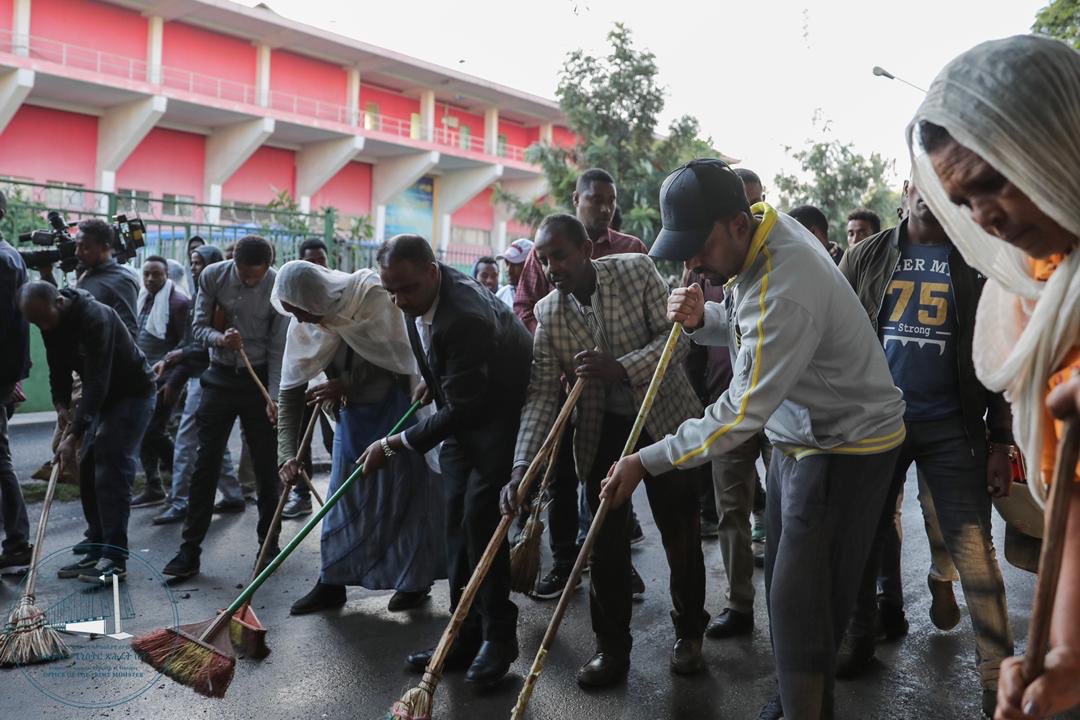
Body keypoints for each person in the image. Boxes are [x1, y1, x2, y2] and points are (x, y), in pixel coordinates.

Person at [601, 158, 907, 720]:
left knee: (802, 605)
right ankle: (800, 702)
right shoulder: (762, 230)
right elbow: (749, 330)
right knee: (792, 602)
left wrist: (645, 461)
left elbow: (740, 413)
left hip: (845, 448)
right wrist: (705, 320)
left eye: (699, 245)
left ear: (737, 224)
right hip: (799, 437)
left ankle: (802, 707)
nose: (692, 262)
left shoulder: (786, 282)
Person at [903, 35, 1080, 720]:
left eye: (990, 183)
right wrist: (1066, 650)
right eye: (962, 201)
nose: (984, 221)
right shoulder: (1034, 283)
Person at [500, 213, 708, 684]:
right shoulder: (550, 313)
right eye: (544, 259)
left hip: (666, 419)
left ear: (587, 251)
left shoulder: (635, 269)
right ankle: (612, 650)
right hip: (604, 428)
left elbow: (676, 342)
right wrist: (521, 469)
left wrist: (621, 367)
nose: (552, 268)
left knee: (681, 533)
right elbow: (538, 394)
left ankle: (690, 632)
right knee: (604, 540)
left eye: (560, 256)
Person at [837, 180, 1015, 716]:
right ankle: (858, 639)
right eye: (926, 183)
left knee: (975, 552)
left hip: (953, 426)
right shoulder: (866, 254)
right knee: (863, 536)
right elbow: (835, 332)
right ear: (910, 186)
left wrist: (1001, 442)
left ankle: (996, 677)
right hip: (876, 422)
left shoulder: (978, 259)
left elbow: (997, 356)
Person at [363, 234, 531, 686]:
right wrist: (437, 379)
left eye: (407, 289)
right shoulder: (420, 297)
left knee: (480, 519)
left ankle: (499, 635)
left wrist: (393, 443)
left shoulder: (465, 317)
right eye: (390, 290)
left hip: (499, 416)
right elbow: (447, 372)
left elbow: (468, 408)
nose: (399, 300)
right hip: (465, 406)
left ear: (433, 272)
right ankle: (463, 632)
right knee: (454, 521)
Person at [271, 260, 444, 613]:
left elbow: (403, 359)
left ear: (316, 297)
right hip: (352, 418)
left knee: (405, 500)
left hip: (398, 410)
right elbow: (290, 391)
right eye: (292, 313)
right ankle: (332, 582)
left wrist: (347, 382)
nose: (300, 320)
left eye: (301, 311)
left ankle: (413, 584)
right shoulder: (305, 322)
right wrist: (287, 455)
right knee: (343, 498)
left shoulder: (373, 296)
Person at [513, 168, 649, 599]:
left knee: (615, 486)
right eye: (596, 200)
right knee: (565, 477)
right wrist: (555, 354)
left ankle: (612, 558)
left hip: (638, 398)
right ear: (577, 198)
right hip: (569, 388)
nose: (605, 207)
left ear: (586, 251)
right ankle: (567, 560)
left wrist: (620, 366)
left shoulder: (632, 255)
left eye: (611, 200)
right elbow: (528, 309)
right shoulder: (545, 249)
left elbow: (664, 333)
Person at [161, 235, 287, 580]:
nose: (250, 281)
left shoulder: (277, 285)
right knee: (206, 463)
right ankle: (189, 551)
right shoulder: (213, 276)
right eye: (245, 275)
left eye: (255, 277)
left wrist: (272, 397)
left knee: (265, 466)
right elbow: (198, 327)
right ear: (235, 264)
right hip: (218, 376)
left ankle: (269, 544)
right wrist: (220, 339)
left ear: (267, 268)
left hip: (258, 377)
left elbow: (278, 348)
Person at [20, 281, 155, 583]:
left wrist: (73, 434)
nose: (43, 326)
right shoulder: (49, 318)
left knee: (111, 466)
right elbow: (57, 367)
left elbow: (97, 381)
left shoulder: (95, 317)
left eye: (44, 319)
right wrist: (60, 405)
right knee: (88, 464)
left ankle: (115, 558)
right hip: (104, 396)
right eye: (36, 322)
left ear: (60, 302)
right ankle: (97, 546)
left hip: (133, 392)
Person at [151, 244, 242, 525]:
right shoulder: (200, 296)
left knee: (186, 440)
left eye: (199, 262)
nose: (194, 268)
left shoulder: (219, 299)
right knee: (211, 441)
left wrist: (181, 354)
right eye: (191, 263)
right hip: (197, 378)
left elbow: (207, 345)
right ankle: (233, 493)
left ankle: (180, 500)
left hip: (208, 377)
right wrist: (175, 356)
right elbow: (190, 340)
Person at [280, 237, 335, 520]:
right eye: (310, 262)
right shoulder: (294, 308)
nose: (316, 266)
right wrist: (285, 456)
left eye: (320, 260)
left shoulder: (342, 299)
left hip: (336, 389)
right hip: (306, 383)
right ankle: (302, 496)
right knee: (301, 441)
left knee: (333, 441)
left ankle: (338, 494)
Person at [131, 255, 190, 508]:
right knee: (144, 432)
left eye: (157, 274)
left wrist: (174, 382)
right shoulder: (142, 298)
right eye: (147, 274)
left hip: (165, 380)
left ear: (167, 275)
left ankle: (183, 479)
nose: (151, 279)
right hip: (143, 378)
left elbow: (185, 345)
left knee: (154, 431)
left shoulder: (178, 303)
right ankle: (155, 486)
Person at [0, 193, 32, 575]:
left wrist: (10, 379)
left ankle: (19, 542)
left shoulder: (5, 261)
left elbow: (9, 328)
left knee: (1, 462)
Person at [73, 219, 140, 339]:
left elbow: (130, 334)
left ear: (105, 248)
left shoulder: (121, 281)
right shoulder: (87, 273)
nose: (77, 253)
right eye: (77, 246)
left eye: (86, 248)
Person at [494, 238, 532, 308]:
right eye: (507, 263)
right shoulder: (501, 295)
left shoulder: (542, 295)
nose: (508, 270)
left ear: (530, 265)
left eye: (515, 264)